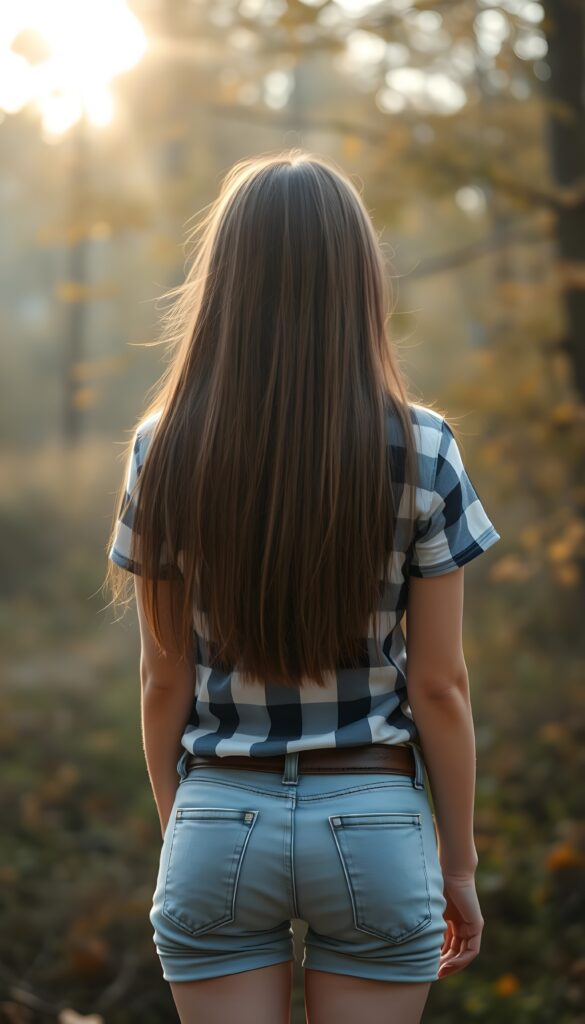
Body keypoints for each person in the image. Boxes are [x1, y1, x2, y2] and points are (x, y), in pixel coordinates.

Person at [105, 149, 501, 1024]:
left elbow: (161, 682)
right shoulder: (424, 448)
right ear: (358, 279)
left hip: (216, 809)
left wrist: (189, 830)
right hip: (373, 817)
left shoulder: (162, 449)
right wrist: (459, 866)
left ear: (225, 283)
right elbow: (439, 685)